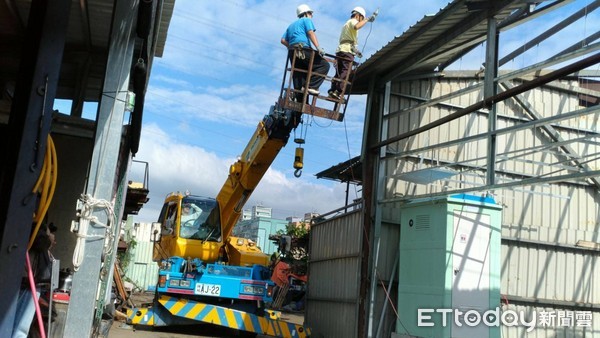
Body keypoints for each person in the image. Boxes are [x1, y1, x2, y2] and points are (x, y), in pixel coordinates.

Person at [12, 224, 53, 338]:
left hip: (30, 282)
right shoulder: (34, 227)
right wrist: (48, 238)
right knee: (21, 328)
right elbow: (40, 243)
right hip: (28, 283)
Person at [281, 4, 330, 97]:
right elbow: (310, 32)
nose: (311, 16)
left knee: (299, 74)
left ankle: (298, 99)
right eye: (311, 14)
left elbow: (283, 40)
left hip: (293, 51)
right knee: (324, 65)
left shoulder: (291, 25)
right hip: (303, 48)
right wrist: (318, 47)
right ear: (306, 13)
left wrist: (291, 46)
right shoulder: (306, 20)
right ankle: (311, 86)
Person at [328, 6, 376, 100]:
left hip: (341, 50)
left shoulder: (346, 24)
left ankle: (332, 90)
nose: (360, 20)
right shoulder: (354, 21)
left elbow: (347, 40)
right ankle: (339, 91)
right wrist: (367, 19)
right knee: (346, 71)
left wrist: (356, 51)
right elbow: (357, 26)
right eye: (361, 18)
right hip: (347, 51)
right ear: (358, 15)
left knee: (339, 71)